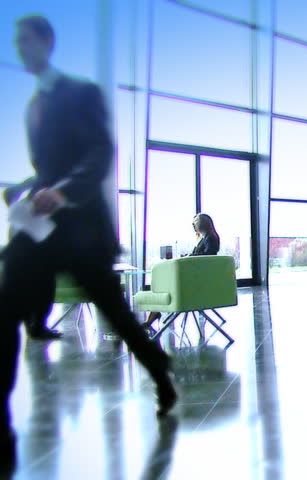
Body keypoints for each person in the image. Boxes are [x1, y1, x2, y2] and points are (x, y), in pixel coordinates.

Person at [1, 15, 177, 471]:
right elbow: (48, 166)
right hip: (41, 231)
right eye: (15, 42)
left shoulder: (80, 93)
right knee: (3, 312)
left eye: (24, 40)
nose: (18, 48)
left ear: (46, 42)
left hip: (81, 232)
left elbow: (99, 152)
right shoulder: (33, 106)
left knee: (116, 315)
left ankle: (160, 370)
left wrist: (64, 192)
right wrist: (25, 186)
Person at [2, 177, 62, 340]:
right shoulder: (25, 205)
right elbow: (9, 194)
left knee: (43, 291)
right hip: (28, 253)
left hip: (37, 252)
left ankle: (36, 327)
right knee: (40, 290)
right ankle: (35, 327)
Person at [146, 213, 221, 326]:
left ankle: (155, 313)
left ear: (203, 223)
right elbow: (200, 255)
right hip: (197, 276)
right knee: (164, 282)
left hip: (199, 279)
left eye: (195, 222)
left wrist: (189, 257)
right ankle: (155, 312)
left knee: (165, 284)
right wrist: (188, 256)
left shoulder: (211, 238)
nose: (193, 224)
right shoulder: (205, 238)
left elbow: (207, 258)